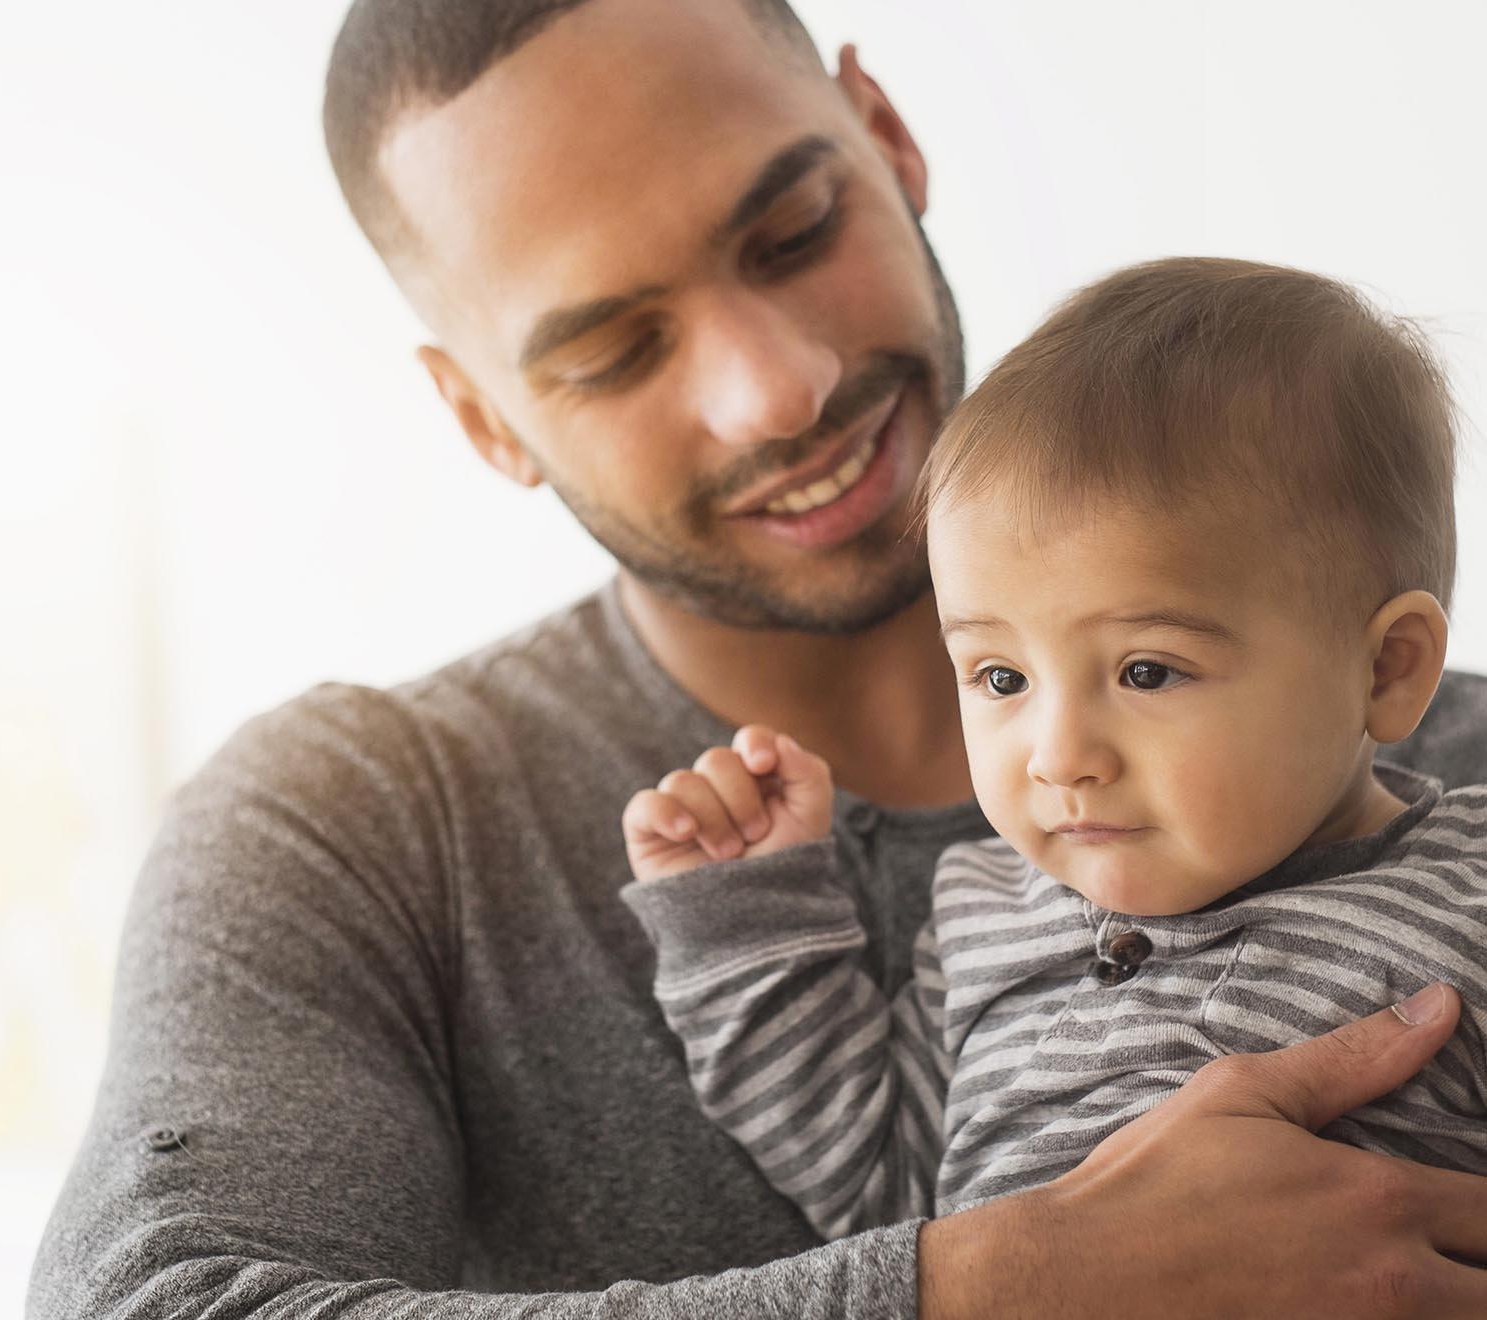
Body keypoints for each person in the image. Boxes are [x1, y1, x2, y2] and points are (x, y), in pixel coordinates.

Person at [27, 2, 1487, 1317]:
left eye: (792, 233)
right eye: (611, 352)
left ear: (890, 138)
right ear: (480, 418)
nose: (774, 390)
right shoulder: (358, 826)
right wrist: (1006, 1283)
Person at [620, 255, 1487, 1239]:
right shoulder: (988, 923)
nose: (1057, 754)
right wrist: (747, 919)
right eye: (1001, 679)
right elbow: (878, 1188)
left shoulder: (1469, 898)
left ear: (1385, 670)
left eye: (1145, 672)